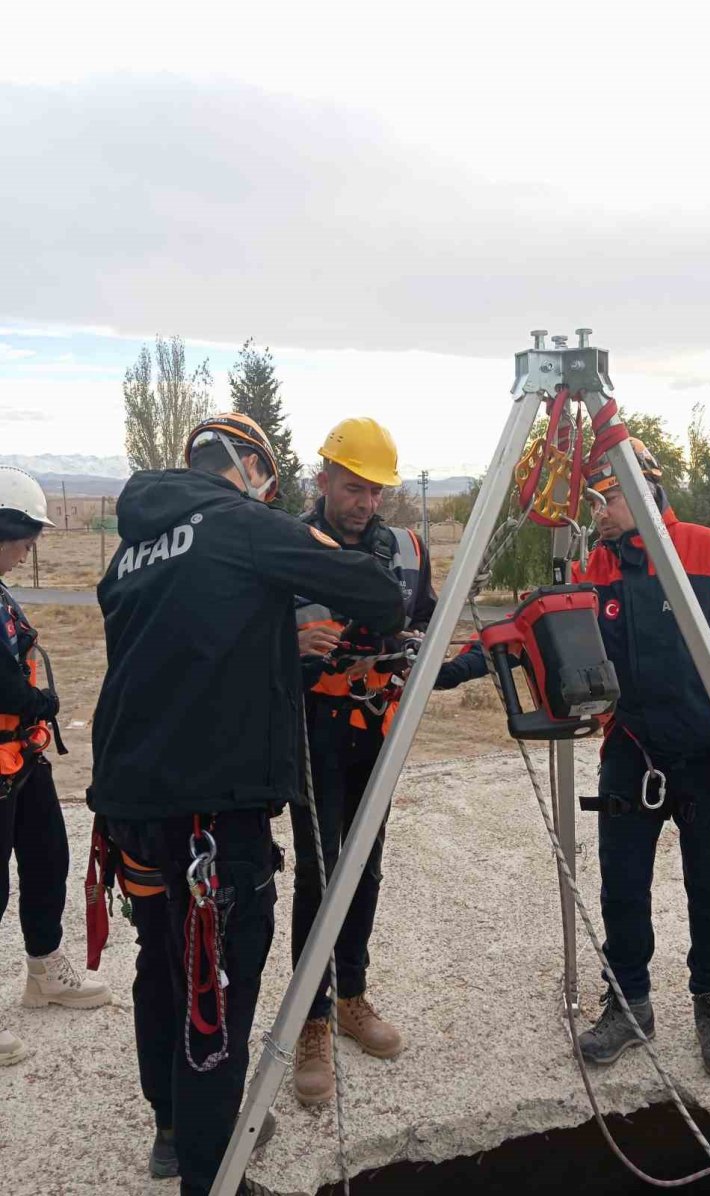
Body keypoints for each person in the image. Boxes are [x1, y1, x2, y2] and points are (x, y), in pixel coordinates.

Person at [87, 414, 404, 1196]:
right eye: (268, 475)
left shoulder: (133, 551)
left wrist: (270, 639)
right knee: (215, 991)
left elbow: (187, 644)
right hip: (210, 807)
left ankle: (173, 1129)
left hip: (133, 804)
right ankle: (211, 1170)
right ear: (250, 465)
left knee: (161, 967)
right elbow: (372, 591)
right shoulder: (239, 523)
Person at [571, 437, 710, 1081]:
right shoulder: (596, 567)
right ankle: (629, 1001)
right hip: (631, 751)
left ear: (640, 491)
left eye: (605, 499)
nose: (597, 514)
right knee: (621, 883)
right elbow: (563, 637)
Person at [290, 417, 437, 1105]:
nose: (365, 503)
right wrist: (287, 645)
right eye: (353, 488)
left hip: (375, 726)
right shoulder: (283, 545)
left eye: (376, 491)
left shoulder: (407, 549)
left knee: (367, 868)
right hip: (313, 725)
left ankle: (352, 995)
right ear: (322, 480)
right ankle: (310, 1021)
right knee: (321, 874)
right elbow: (241, 636)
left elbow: (426, 618)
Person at [1, 467, 111, 1068]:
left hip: (24, 757)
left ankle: (44, 970)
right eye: (25, 539)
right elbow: (7, 687)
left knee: (48, 858)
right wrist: (42, 702)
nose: (29, 551)